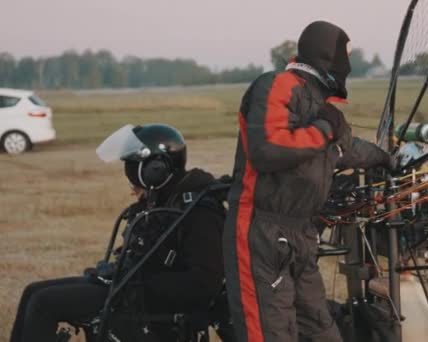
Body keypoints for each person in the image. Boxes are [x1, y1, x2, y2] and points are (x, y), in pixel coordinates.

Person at [223, 21, 394, 342]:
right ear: (328, 56)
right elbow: (268, 149)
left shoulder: (323, 109)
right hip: (261, 231)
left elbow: (345, 150)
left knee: (320, 329)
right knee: (271, 332)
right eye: (345, 55)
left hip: (301, 234)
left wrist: (385, 158)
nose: (348, 65)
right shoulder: (277, 84)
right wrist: (324, 129)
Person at [10, 124, 231, 342]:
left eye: (135, 172)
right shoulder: (164, 199)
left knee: (44, 303)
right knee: (33, 292)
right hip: (128, 289)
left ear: (156, 170)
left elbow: (204, 285)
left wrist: (137, 284)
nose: (131, 184)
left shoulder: (199, 211)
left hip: (149, 304)